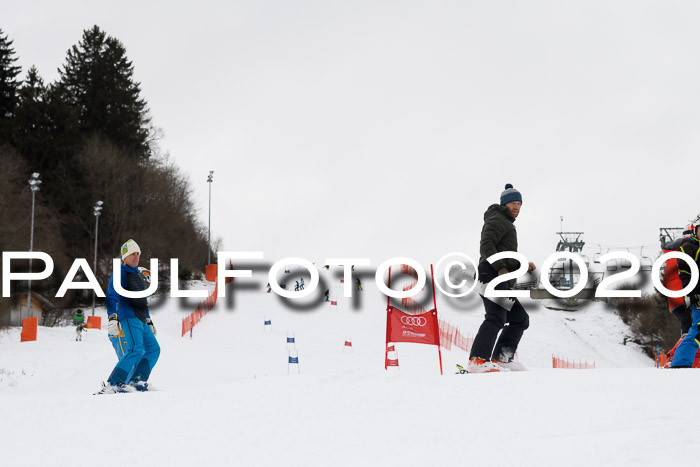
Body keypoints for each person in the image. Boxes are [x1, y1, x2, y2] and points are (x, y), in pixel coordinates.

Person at [468, 184, 536, 373]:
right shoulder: (497, 218)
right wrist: (500, 267)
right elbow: (486, 245)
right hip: (489, 274)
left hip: (496, 275)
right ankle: (478, 362)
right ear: (504, 204)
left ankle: (502, 359)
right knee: (496, 316)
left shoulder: (506, 223)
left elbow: (503, 252)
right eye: (512, 203)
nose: (516, 207)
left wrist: (522, 264)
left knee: (519, 319)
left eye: (519, 203)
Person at [97, 239, 160, 393]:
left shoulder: (138, 275)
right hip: (128, 316)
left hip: (140, 318)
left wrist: (148, 320)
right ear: (124, 256)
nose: (136, 257)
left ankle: (137, 380)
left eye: (138, 254)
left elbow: (142, 300)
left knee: (153, 349)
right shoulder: (120, 274)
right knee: (135, 349)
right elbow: (111, 296)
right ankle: (114, 383)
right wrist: (112, 317)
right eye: (132, 254)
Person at [670, 223, 700, 369]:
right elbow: (686, 275)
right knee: (697, 331)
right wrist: (692, 295)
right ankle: (680, 363)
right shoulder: (688, 247)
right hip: (697, 297)